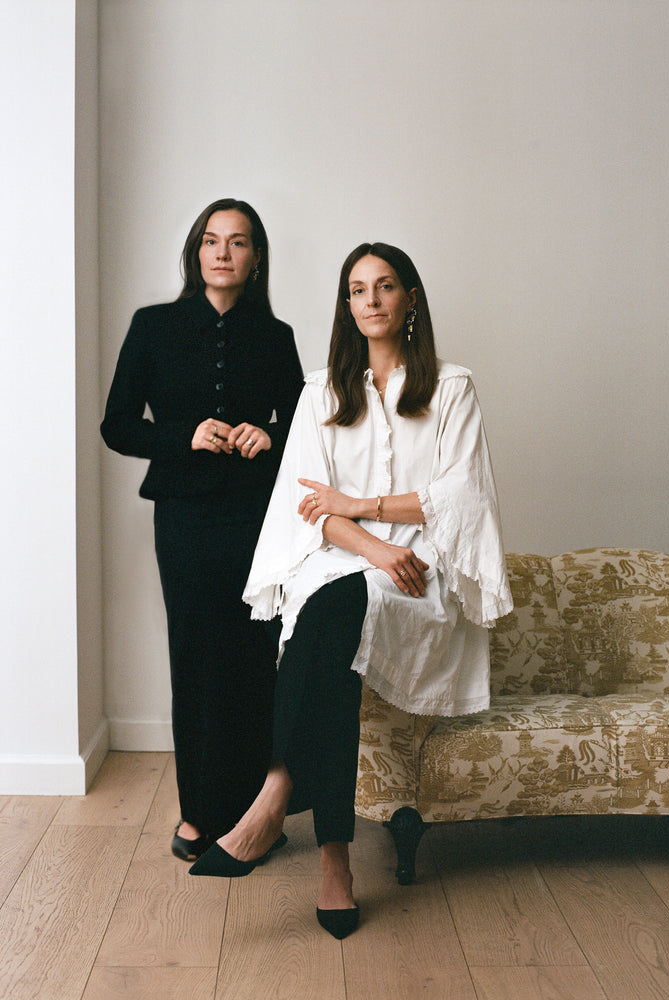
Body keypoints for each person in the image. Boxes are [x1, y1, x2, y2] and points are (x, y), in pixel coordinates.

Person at [189, 242, 512, 939]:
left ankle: (278, 792)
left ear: (410, 298)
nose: (371, 300)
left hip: (421, 572)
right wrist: (373, 545)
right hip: (345, 562)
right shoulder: (321, 393)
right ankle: (331, 862)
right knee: (328, 614)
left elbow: (459, 497)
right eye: (358, 289)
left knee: (330, 617)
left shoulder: (451, 387)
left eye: (385, 286)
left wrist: (363, 510)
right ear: (347, 305)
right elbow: (309, 506)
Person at [101, 198, 304, 862]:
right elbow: (117, 425)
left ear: (255, 258)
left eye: (237, 242)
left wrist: (268, 437)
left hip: (257, 516)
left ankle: (254, 813)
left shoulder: (276, 336)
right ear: (195, 252)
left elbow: (303, 431)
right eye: (211, 240)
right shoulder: (153, 326)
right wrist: (182, 436)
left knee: (254, 656)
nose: (222, 252)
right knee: (195, 656)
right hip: (185, 516)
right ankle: (197, 812)